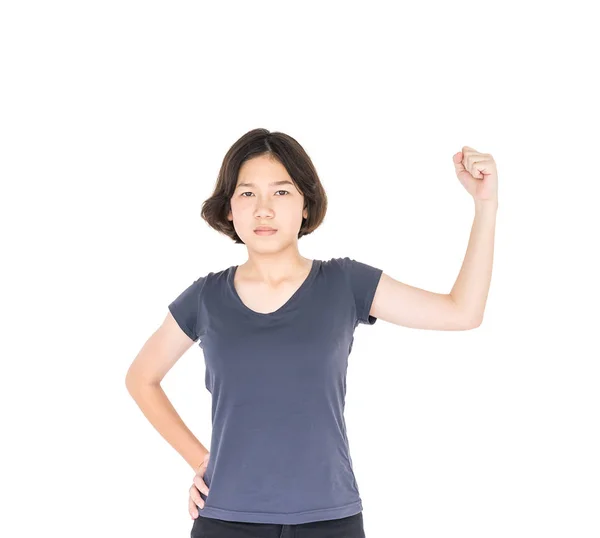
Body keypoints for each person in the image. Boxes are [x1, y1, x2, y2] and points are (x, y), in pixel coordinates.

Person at [125, 128, 498, 538]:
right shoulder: (205, 297)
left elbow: (462, 312)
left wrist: (485, 206)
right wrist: (200, 460)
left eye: (281, 192)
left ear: (305, 204)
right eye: (248, 193)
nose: (264, 209)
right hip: (226, 520)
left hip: (330, 520)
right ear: (229, 208)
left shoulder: (344, 283)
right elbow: (142, 378)